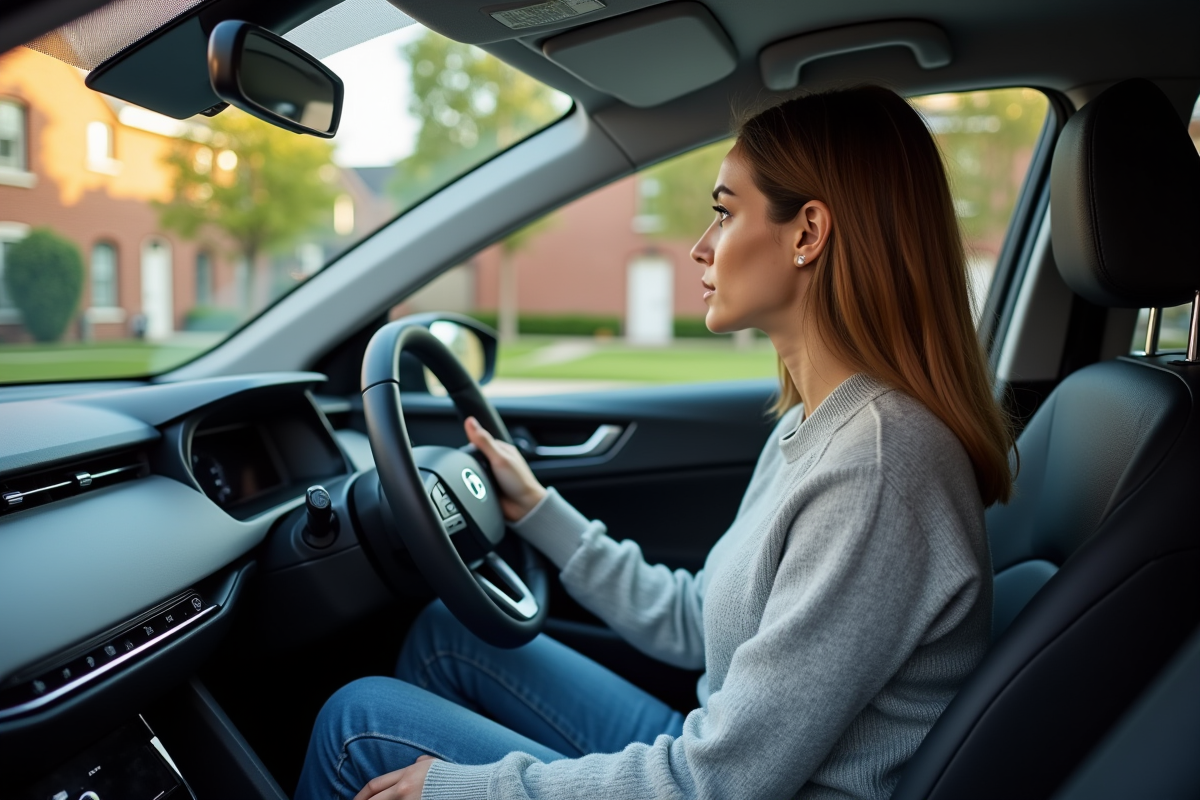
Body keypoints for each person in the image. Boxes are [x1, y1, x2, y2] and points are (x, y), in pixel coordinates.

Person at [295, 84, 1014, 800]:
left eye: (725, 214)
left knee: (358, 726)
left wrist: (462, 790)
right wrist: (538, 510)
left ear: (807, 233)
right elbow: (697, 623)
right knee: (449, 633)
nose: (699, 248)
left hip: (727, 781)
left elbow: (716, 782)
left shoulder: (876, 469)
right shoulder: (818, 424)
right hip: (721, 754)